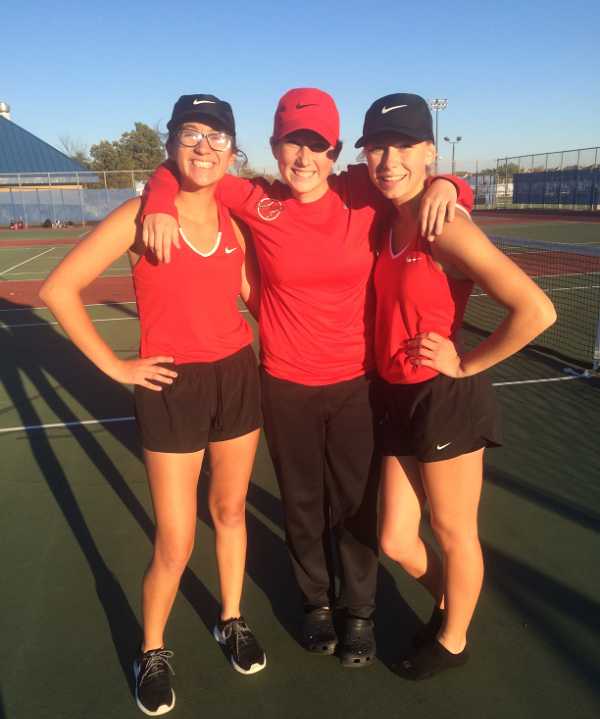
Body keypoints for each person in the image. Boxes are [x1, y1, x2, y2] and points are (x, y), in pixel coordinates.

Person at [141, 88, 473, 668]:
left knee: (354, 504)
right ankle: (316, 602)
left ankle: (359, 612)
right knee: (301, 504)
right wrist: (159, 200)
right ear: (274, 147)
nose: (304, 157)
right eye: (292, 143)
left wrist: (453, 185)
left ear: (335, 152)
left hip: (356, 383)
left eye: (317, 146)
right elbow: (186, 167)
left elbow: (418, 179)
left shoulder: (361, 191)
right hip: (285, 383)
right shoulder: (256, 200)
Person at [40, 94, 266, 717]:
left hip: (236, 376)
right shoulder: (141, 215)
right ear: (170, 145)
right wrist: (117, 367)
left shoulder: (235, 217)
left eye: (217, 137)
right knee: (176, 538)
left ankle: (230, 618)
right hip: (171, 386)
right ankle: (152, 649)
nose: (204, 147)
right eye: (190, 134)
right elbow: (59, 289)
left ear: (232, 151)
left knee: (230, 510)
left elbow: (255, 296)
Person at [357, 93, 556, 679]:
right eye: (377, 148)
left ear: (428, 150)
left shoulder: (444, 228)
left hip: (444, 398)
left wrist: (466, 365)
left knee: (452, 531)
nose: (388, 160)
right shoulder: (392, 217)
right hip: (397, 396)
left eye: (403, 146)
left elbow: (536, 311)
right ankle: (454, 601)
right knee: (396, 539)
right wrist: (452, 184)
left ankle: (452, 640)